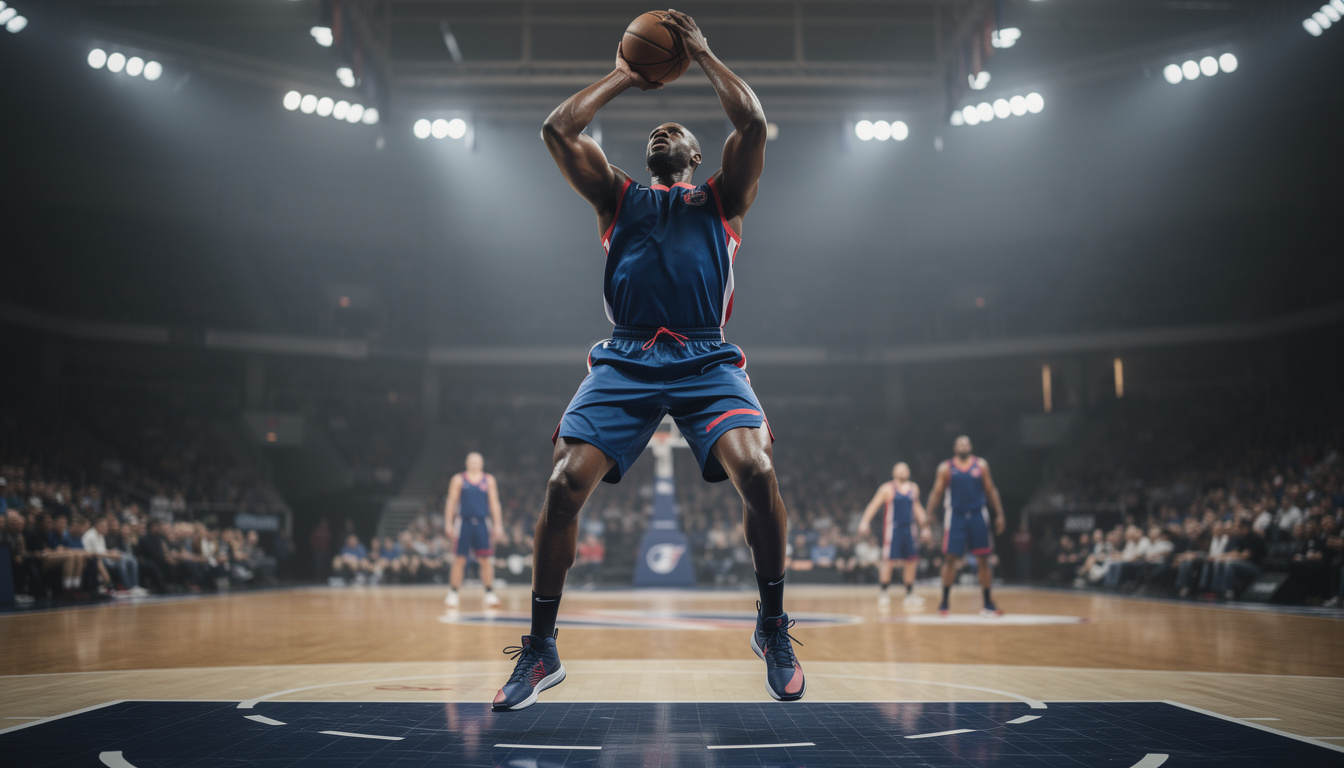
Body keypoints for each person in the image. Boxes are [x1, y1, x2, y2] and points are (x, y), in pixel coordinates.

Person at [493, 10, 803, 712]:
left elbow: (752, 124)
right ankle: (541, 646)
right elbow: (556, 130)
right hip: (627, 356)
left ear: (696, 156)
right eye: (657, 129)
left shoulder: (723, 198)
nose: (663, 133)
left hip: (705, 356)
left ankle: (773, 625)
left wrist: (704, 54)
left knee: (756, 469)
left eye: (678, 133)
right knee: (564, 486)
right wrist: (626, 75)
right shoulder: (618, 195)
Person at [925, 436, 1007, 616]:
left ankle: (988, 603)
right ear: (955, 448)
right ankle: (944, 602)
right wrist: (929, 512)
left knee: (983, 559)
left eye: (966, 443)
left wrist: (999, 514)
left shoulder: (981, 465)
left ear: (970, 446)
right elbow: (936, 492)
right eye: (959, 444)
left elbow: (991, 489)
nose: (963, 446)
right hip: (956, 515)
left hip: (978, 514)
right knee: (950, 559)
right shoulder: (946, 467)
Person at [857, 462, 930, 607]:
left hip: (909, 528)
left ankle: (909, 594)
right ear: (893, 472)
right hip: (893, 528)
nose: (903, 472)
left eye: (906, 469)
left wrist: (925, 527)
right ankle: (884, 593)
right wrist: (864, 521)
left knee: (911, 561)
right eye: (900, 469)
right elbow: (873, 505)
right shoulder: (887, 488)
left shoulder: (913, 488)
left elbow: (917, 508)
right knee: (888, 561)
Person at [444, 452, 505, 608]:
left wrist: (498, 525)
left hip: (482, 523)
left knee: (486, 560)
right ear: (467, 463)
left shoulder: (489, 479)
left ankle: (489, 593)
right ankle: (453, 593)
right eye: (472, 461)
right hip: (463, 522)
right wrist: (448, 523)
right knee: (459, 559)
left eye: (477, 462)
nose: (474, 464)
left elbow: (494, 503)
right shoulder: (458, 479)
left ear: (482, 464)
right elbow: (451, 502)